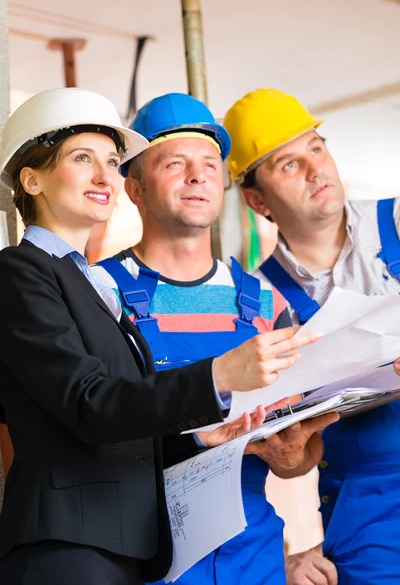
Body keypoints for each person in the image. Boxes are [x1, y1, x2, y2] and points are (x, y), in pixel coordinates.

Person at [0, 87, 319, 585]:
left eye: (110, 159)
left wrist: (207, 438)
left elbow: (125, 428)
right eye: (83, 158)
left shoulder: (94, 286)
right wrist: (219, 375)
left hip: (214, 552)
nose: (196, 176)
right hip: (104, 549)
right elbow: (83, 409)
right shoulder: (47, 278)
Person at [93, 92, 339, 585]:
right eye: (174, 163)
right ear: (135, 188)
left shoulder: (265, 303)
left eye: (209, 163)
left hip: (254, 562)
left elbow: (304, 452)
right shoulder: (99, 294)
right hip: (144, 565)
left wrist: (294, 457)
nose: (197, 174)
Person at [223, 87, 400, 585]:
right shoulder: (259, 301)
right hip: (369, 512)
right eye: (288, 164)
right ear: (257, 200)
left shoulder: (398, 222)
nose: (315, 169)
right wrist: (289, 455)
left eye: (316, 148)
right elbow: (291, 458)